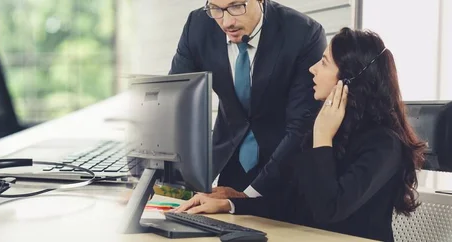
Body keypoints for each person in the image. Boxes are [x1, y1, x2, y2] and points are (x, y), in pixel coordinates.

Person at [172, 27, 427, 242]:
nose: (313, 69)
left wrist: (323, 138)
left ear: (348, 80)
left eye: (324, 62)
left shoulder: (384, 144)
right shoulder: (330, 129)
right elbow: (293, 204)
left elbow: (328, 209)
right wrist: (230, 204)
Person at [169, 0, 326, 204]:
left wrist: (247, 197)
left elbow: (302, 126)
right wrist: (152, 184)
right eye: (216, 9)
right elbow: (174, 103)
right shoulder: (198, 25)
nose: (226, 22)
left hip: (287, 172)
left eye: (236, 6)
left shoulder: (303, 33)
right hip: (230, 164)